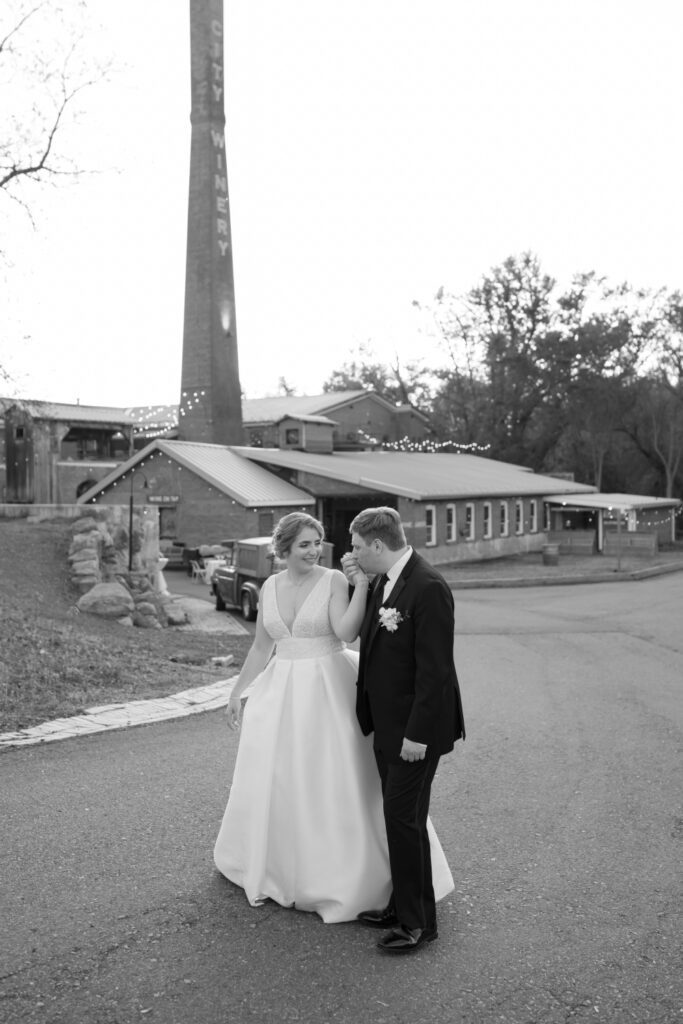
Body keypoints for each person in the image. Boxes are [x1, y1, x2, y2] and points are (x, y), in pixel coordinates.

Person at [213, 511, 454, 925]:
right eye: (304, 544)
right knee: (281, 781)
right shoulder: (269, 586)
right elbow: (260, 648)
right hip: (281, 694)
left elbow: (345, 632)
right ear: (284, 548)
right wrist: (238, 692)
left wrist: (359, 586)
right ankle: (281, 868)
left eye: (316, 542)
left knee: (336, 784)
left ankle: (367, 885)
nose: (314, 551)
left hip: (327, 688)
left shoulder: (334, 580)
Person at [342, 506, 465, 954]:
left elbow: (436, 672)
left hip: (415, 733)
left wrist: (418, 736)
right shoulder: (383, 581)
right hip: (388, 726)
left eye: (357, 547)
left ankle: (419, 925)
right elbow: (371, 641)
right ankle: (401, 906)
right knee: (400, 820)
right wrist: (356, 582)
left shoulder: (428, 587)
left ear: (378, 545)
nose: (352, 553)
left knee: (403, 820)